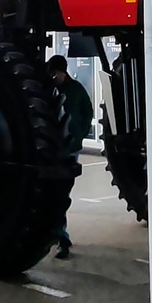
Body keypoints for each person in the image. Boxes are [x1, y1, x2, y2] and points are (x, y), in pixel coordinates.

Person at [49, 57, 95, 259]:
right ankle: (59, 236)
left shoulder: (74, 90)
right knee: (59, 191)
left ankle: (60, 237)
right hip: (57, 147)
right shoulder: (56, 89)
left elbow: (88, 112)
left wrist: (78, 135)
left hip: (68, 148)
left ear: (61, 71)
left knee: (60, 191)